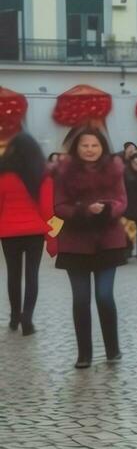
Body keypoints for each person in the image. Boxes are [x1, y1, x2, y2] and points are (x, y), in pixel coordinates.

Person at [53, 128, 127, 368]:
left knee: (105, 296)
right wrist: (84, 210)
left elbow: (121, 201)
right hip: (76, 242)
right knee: (81, 299)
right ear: (77, 147)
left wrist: (106, 208)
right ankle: (84, 353)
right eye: (85, 145)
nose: (90, 150)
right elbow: (59, 206)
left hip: (108, 240)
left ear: (102, 147)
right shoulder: (65, 172)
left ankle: (112, 349)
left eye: (94, 145)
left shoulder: (114, 170)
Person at [0, 133, 53, 336]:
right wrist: (51, 234)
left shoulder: (3, 175)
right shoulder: (42, 176)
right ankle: (27, 319)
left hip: (9, 232)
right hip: (34, 232)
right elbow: (47, 209)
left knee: (13, 275)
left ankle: (14, 317)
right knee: (32, 276)